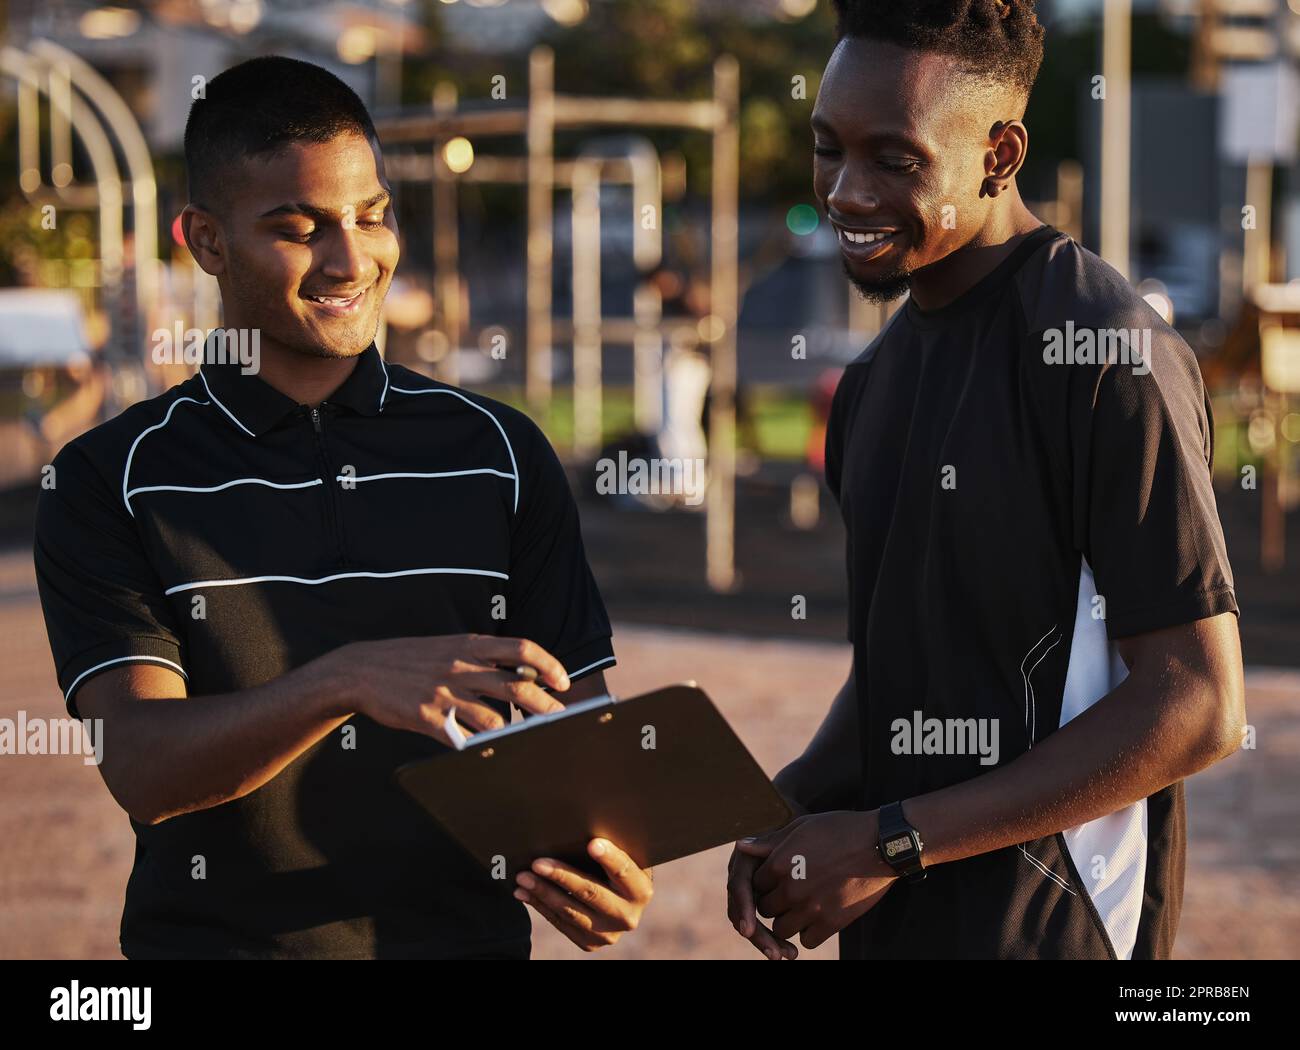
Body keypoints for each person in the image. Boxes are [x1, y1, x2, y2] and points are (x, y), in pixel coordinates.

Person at [33, 56, 651, 959]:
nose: (351, 259)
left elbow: (574, 734)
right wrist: (344, 680)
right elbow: (142, 765)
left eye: (371, 216)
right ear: (206, 241)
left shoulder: (499, 452)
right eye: (299, 227)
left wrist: (600, 862)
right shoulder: (109, 477)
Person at [727, 0, 1245, 960]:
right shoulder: (874, 384)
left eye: (895, 159)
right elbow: (903, 673)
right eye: (828, 147)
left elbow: (1198, 705)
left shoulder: (1105, 354)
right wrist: (797, 805)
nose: (845, 191)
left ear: (999, 156)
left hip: (1058, 934)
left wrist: (890, 842)